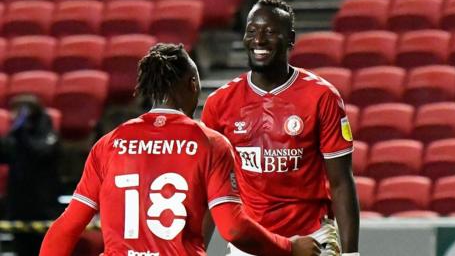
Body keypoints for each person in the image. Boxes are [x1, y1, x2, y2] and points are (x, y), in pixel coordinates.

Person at [40, 43, 322, 256]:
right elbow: (233, 227)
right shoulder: (210, 143)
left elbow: (67, 227)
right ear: (192, 84)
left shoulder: (110, 143)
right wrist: (289, 247)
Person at [201, 0, 360, 256]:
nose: (259, 40)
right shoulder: (219, 104)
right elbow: (210, 190)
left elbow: (341, 182)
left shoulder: (321, 97)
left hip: (312, 237)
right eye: (252, 31)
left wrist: (351, 253)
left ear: (290, 39)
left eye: (270, 32)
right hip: (252, 242)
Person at [0, 94, 62, 256]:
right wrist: (17, 133)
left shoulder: (46, 131)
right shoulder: (16, 135)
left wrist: (24, 134)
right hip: (19, 206)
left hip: (43, 206)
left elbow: (42, 152)